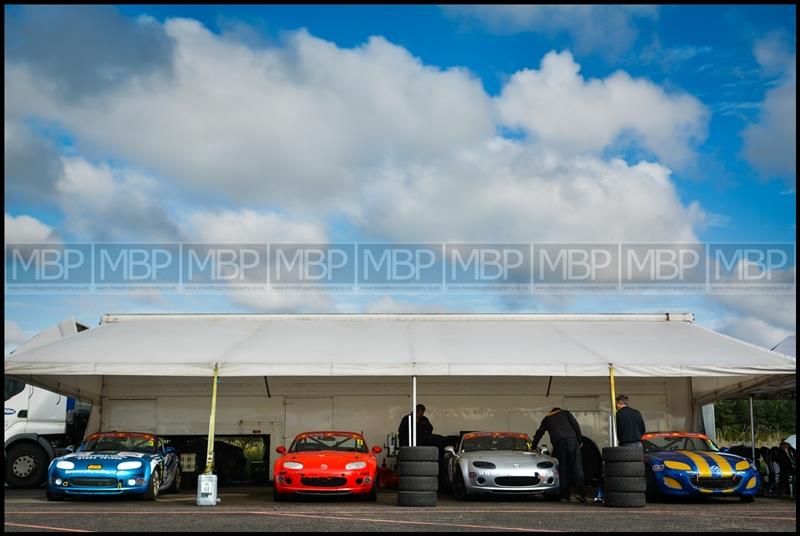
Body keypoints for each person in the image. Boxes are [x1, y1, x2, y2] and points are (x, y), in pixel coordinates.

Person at [532, 407, 586, 503]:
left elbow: (539, 433)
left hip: (559, 443)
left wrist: (533, 446)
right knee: (577, 468)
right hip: (572, 441)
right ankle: (580, 494)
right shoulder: (565, 413)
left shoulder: (547, 418)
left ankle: (564, 496)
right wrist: (580, 440)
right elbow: (575, 425)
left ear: (551, 411)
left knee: (563, 470)